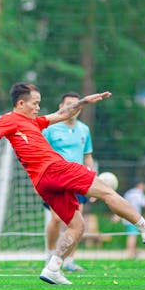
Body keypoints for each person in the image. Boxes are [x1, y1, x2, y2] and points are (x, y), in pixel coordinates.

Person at [0, 83, 145, 285]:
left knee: (77, 225)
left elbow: (64, 114)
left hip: (42, 182)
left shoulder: (34, 122)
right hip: (55, 169)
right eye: (34, 103)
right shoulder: (9, 119)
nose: (38, 107)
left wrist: (84, 101)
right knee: (106, 191)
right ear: (20, 104)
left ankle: (53, 267)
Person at [42, 91, 94, 272]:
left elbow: (88, 156)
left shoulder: (84, 129)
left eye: (77, 104)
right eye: (69, 103)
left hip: (79, 181)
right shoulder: (50, 128)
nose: (74, 107)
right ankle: (50, 253)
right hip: (56, 181)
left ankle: (70, 260)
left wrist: (92, 180)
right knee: (56, 219)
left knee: (78, 222)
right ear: (61, 107)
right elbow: (41, 157)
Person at [121, 179, 145, 258]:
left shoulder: (129, 193)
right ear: (140, 185)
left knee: (131, 234)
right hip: (134, 217)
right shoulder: (139, 193)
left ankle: (132, 252)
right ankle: (130, 253)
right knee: (132, 235)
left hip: (126, 216)